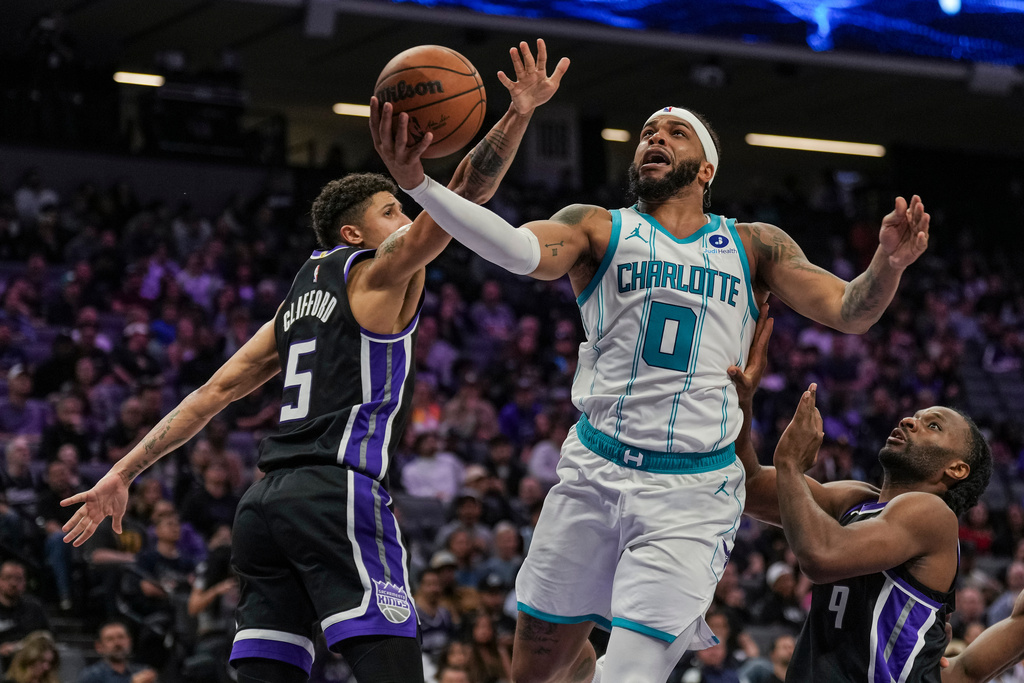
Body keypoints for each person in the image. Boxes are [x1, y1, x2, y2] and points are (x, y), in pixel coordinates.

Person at [373, 92, 931, 680]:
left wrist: (887, 266)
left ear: (706, 168)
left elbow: (849, 309)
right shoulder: (595, 226)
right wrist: (420, 186)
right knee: (532, 674)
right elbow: (518, 251)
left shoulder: (752, 244)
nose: (655, 139)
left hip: (691, 492)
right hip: (593, 469)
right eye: (646, 132)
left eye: (674, 133)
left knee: (630, 675)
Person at [60, 40, 568, 683]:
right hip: (338, 491)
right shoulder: (378, 274)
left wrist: (122, 472)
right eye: (392, 211)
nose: (408, 215)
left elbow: (212, 393)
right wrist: (519, 112)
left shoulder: (296, 302)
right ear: (352, 234)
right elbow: (462, 199)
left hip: (265, 505)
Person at [731, 311, 992, 682]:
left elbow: (822, 556)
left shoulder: (933, 514)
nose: (909, 421)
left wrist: (790, 464)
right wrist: (743, 402)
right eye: (915, 416)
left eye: (932, 426)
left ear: (956, 469)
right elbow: (748, 486)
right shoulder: (855, 499)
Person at [76, 621, 156, 683]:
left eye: (121, 637)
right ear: (99, 646)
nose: (117, 643)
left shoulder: (142, 671)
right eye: (110, 639)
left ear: (130, 641)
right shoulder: (91, 676)